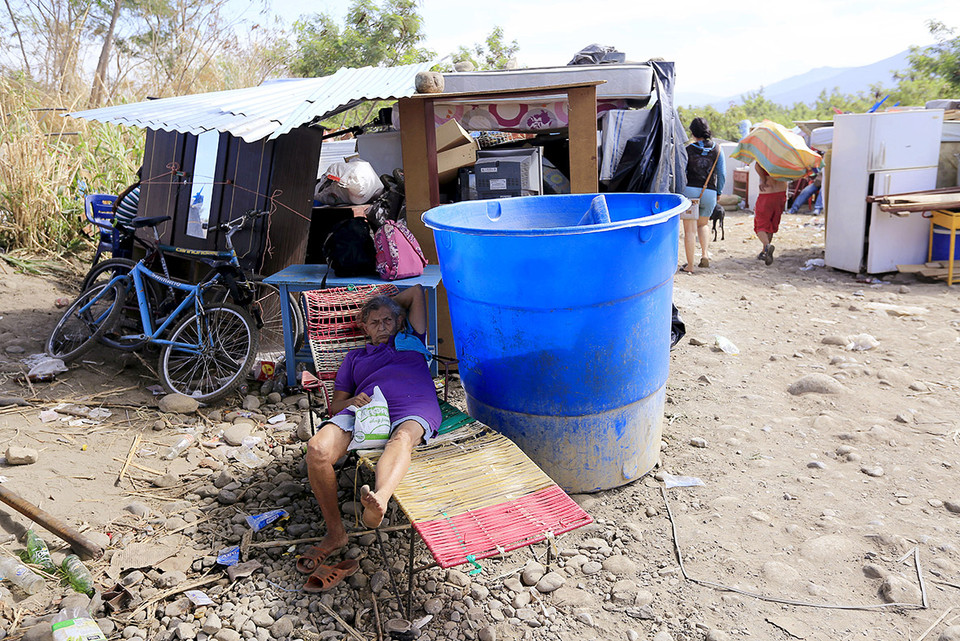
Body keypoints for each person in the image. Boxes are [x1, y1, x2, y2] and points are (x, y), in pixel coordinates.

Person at [300, 285, 440, 579]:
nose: (382, 327)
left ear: (399, 322)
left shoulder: (412, 339)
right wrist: (352, 401)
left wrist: (387, 307)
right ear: (363, 326)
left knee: (402, 438)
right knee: (317, 450)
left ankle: (380, 500)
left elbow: (415, 291)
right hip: (366, 410)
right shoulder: (354, 358)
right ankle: (335, 532)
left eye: (388, 320)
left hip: (413, 405)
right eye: (374, 322)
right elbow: (336, 405)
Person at [680, 117, 725, 273]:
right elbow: (722, 174)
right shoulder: (718, 149)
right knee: (703, 224)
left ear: (692, 132)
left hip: (690, 192)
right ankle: (705, 254)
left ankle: (690, 266)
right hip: (709, 192)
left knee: (690, 231)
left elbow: (682, 173)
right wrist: (718, 192)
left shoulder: (688, 150)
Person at [754, 163, 787, 265]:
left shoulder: (765, 153)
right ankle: (765, 251)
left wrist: (763, 180)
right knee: (772, 224)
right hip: (781, 193)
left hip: (767, 193)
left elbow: (757, 165)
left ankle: (767, 245)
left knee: (760, 225)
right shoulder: (785, 156)